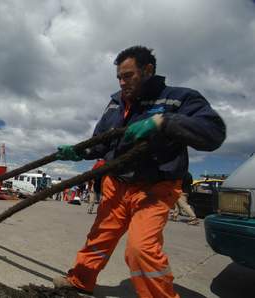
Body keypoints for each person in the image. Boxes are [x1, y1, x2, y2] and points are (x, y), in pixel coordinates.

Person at [53, 46, 226, 297]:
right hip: (117, 183)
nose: (122, 83)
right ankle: (80, 280)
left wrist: (164, 122)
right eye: (119, 77)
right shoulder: (115, 105)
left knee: (141, 249)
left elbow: (213, 132)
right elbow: (101, 142)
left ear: (148, 70)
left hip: (155, 188)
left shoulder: (180, 99)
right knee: (99, 238)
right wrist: (77, 152)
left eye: (128, 76)